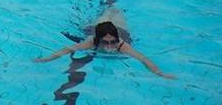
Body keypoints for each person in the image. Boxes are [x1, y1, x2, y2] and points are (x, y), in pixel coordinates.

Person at [34, 16, 175, 79]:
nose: (109, 47)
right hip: (98, 27)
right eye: (105, 43)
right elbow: (68, 49)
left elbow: (143, 59)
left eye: (112, 42)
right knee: (102, 16)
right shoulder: (90, 43)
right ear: (97, 40)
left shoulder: (122, 45)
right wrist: (46, 59)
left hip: (120, 27)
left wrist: (159, 73)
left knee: (114, 11)